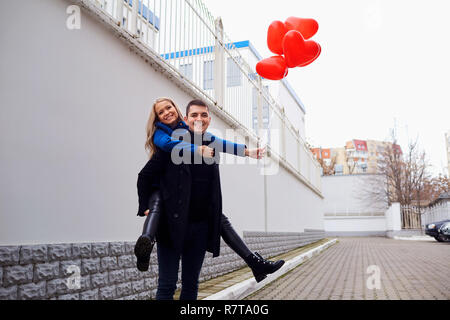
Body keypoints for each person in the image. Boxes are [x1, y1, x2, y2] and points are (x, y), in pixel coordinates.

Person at [136, 98, 284, 300]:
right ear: (186, 118)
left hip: (198, 227)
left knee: (191, 285)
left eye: (203, 115)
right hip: (171, 225)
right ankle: (255, 262)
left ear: (209, 119)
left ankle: (255, 263)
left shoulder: (210, 142)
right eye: (194, 115)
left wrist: (249, 152)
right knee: (167, 286)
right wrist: (144, 205)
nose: (199, 119)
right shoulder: (171, 146)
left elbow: (226, 146)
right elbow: (145, 175)